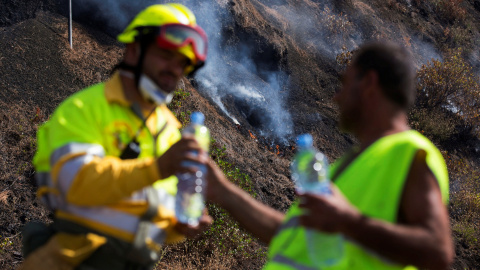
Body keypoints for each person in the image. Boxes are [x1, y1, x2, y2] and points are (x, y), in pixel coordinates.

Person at [205, 42, 454, 269]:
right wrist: (224, 192)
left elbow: (437, 250)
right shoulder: (344, 167)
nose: (337, 96)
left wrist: (347, 220)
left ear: (368, 83)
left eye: (345, 83)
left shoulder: (408, 153)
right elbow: (291, 237)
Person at [20, 3, 212, 270]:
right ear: (134, 49)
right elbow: (77, 183)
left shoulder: (170, 130)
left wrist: (180, 226)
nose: (174, 69)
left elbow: (153, 214)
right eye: (166, 55)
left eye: (183, 63)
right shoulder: (83, 109)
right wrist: (158, 168)